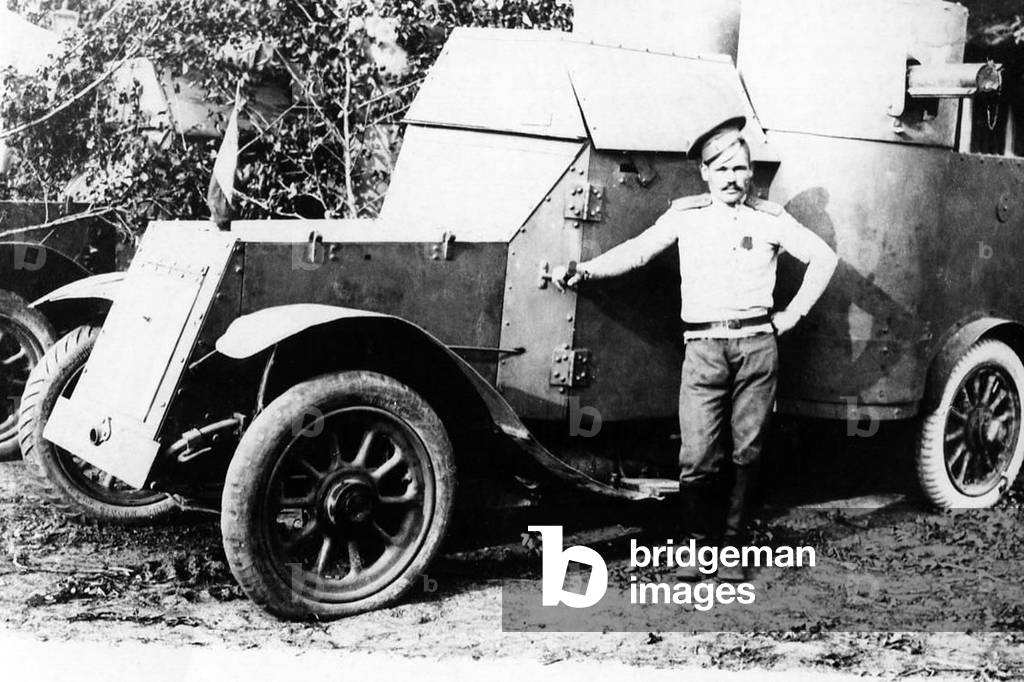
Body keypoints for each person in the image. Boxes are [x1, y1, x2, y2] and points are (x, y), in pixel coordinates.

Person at [553, 123, 838, 582]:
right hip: (703, 348)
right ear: (704, 173)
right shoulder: (686, 216)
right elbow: (638, 251)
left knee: (748, 451)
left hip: (757, 348)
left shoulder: (769, 218)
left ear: (750, 174)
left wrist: (793, 315)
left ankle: (732, 550)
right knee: (699, 453)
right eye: (721, 168)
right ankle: (697, 547)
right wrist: (586, 270)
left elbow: (824, 258)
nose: (731, 178)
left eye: (740, 168)